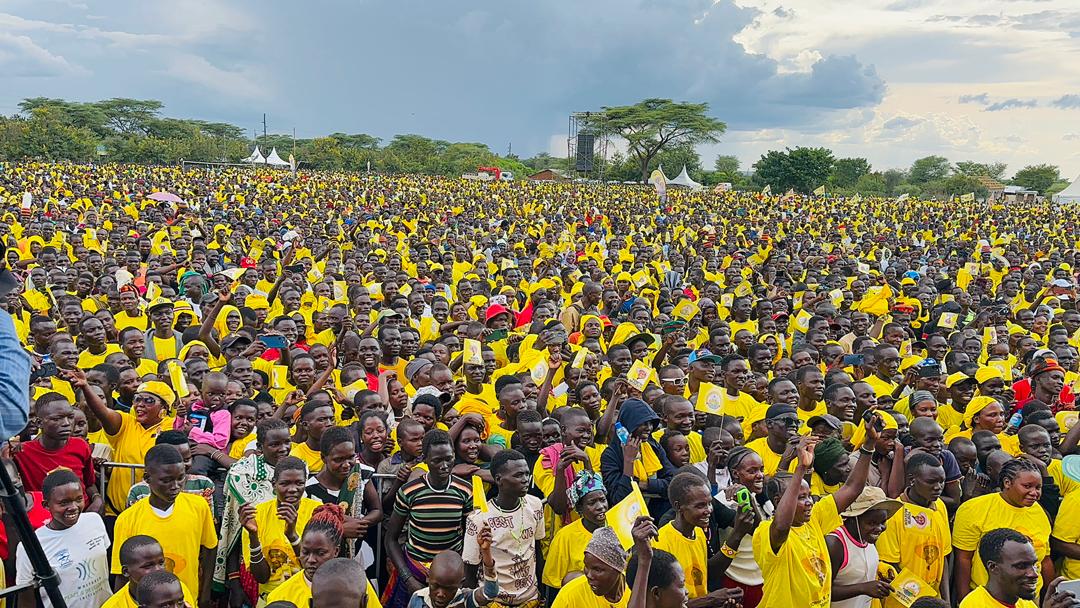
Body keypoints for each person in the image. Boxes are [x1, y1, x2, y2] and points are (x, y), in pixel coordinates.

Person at [751, 414, 879, 608]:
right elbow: (782, 525)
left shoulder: (815, 520)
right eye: (801, 497)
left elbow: (852, 488)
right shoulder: (766, 531)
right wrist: (801, 469)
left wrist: (869, 445)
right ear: (778, 501)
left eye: (809, 495)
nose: (810, 502)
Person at [111, 444, 218, 603]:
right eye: (166, 480)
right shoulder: (128, 519)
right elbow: (121, 573)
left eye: (180, 478)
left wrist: (205, 595)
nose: (175, 486)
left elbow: (210, 549)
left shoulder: (199, 506)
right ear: (147, 478)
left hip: (186, 598)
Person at [383, 429, 473, 608]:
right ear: (425, 459)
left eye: (448, 459)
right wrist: (407, 578)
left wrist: (464, 575)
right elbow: (391, 539)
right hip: (416, 571)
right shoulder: (410, 491)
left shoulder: (464, 490)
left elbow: (468, 536)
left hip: (450, 577)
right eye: (437, 460)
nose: (444, 466)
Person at [953, 458, 1054, 601]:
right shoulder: (974, 509)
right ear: (1007, 483)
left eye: (1038, 487)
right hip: (989, 598)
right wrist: (964, 599)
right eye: (1027, 486)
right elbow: (963, 559)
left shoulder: (1039, 512)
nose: (1034, 493)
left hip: (1030, 598)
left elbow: (1045, 559)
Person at [213, 418, 292, 598]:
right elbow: (233, 528)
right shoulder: (242, 475)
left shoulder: (297, 469)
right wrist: (234, 580)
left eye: (287, 442)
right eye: (275, 444)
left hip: (291, 561)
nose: (283, 448)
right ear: (259, 446)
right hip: (254, 563)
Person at [15, 469, 111, 608]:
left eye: (78, 499)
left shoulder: (94, 521)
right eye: (63, 503)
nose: (73, 507)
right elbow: (26, 598)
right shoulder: (31, 545)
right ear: (46, 505)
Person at [241, 455, 321, 598]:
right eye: (285, 483)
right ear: (274, 484)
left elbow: (318, 571)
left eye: (299, 483)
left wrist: (293, 536)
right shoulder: (257, 516)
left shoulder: (317, 513)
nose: (292, 489)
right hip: (271, 598)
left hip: (309, 597)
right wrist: (253, 536)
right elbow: (261, 577)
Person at [877, 452, 952, 598]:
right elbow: (890, 567)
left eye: (942, 481)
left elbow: (943, 558)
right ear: (912, 480)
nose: (938, 487)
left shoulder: (940, 506)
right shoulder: (895, 514)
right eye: (931, 482)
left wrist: (946, 600)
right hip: (905, 600)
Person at [12, 391, 101, 512]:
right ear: (39, 423)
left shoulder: (80, 446)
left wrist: (97, 500)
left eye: (70, 417)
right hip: (44, 519)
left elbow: (89, 484)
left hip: (81, 514)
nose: (66, 424)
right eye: (57, 419)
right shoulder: (21, 452)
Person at [824, 486, 901, 608]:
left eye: (883, 522)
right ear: (853, 519)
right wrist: (863, 588)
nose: (879, 528)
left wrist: (880, 583)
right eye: (872, 523)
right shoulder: (835, 544)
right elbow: (821, 591)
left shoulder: (867, 538)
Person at [959, 528, 1077, 608]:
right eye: (1021, 566)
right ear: (993, 567)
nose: (1034, 574)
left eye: (1034, 565)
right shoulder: (974, 604)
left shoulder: (1025, 603)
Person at [408, 530, 498, 608]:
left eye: (449, 589)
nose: (441, 594)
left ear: (460, 584)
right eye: (435, 586)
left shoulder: (464, 599)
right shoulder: (418, 598)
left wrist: (486, 552)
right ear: (428, 578)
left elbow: (490, 593)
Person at [102, 535, 197, 608]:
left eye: (161, 563)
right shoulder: (114, 605)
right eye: (148, 566)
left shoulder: (177, 590)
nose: (158, 570)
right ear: (126, 571)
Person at [551, 527, 631, 608]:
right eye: (586, 566)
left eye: (597, 569)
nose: (588, 575)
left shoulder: (635, 591)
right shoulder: (569, 596)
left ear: (619, 568)